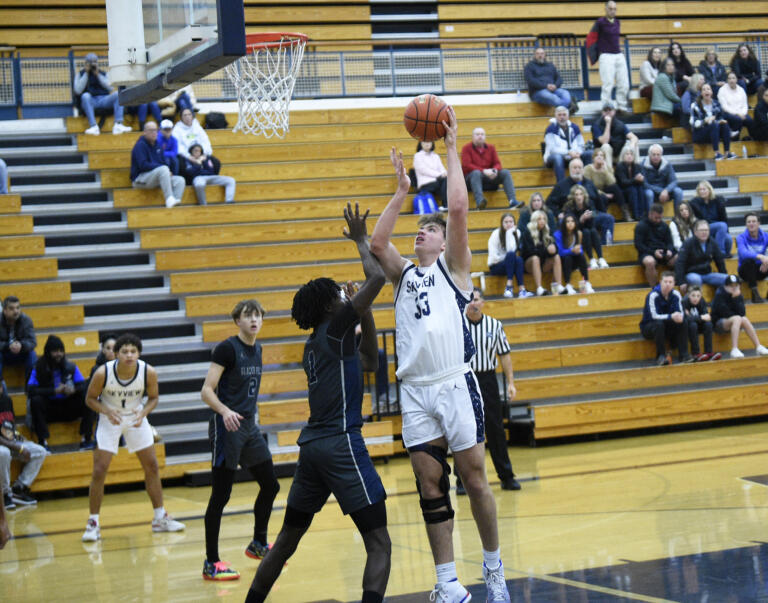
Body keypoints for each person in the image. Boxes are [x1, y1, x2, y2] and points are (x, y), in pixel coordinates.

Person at [369, 109, 512, 602]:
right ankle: (448, 583)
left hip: (455, 382)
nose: (421, 233)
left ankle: (493, 569)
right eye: (420, 230)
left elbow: (457, 211)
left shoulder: (455, 269)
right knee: (431, 485)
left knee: (473, 477)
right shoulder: (403, 274)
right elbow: (377, 242)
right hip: (415, 391)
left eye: (428, 230)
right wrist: (400, 192)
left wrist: (451, 147)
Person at [247, 204, 391, 602]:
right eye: (336, 295)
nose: (341, 297)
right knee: (379, 542)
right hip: (342, 443)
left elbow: (369, 361)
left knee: (286, 539)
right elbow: (377, 275)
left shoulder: (319, 342)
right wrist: (362, 240)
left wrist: (367, 312)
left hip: (313, 448)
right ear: (329, 306)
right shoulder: (335, 327)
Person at [200, 299, 279, 581]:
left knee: (271, 484)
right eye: (248, 316)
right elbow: (206, 390)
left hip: (249, 426)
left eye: (257, 315)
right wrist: (224, 411)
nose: (253, 320)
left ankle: (258, 543)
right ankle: (211, 562)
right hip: (227, 427)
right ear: (238, 321)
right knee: (221, 495)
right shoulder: (226, 348)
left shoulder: (257, 348)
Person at [82, 333, 185, 541]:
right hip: (110, 418)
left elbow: (154, 398)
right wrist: (106, 411)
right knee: (100, 469)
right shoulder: (103, 373)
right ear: (116, 354)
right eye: (124, 351)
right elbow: (90, 399)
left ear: (139, 353)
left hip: (136, 417)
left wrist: (144, 412)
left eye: (133, 351)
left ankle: (159, 518)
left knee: (152, 466)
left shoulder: (148, 372)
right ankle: (93, 522)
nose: (129, 355)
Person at [456, 287, 522, 494]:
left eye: (477, 299)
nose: (474, 303)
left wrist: (511, 382)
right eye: (470, 300)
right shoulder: (457, 325)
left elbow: (505, 355)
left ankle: (507, 476)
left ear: (483, 302)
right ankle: (461, 481)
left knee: (495, 428)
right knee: (463, 430)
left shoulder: (495, 325)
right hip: (465, 379)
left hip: (488, 379)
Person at [27, 335, 93, 452]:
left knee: (88, 398)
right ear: (48, 352)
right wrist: (54, 391)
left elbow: (82, 385)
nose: (59, 354)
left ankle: (86, 439)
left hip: (68, 407)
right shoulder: (38, 368)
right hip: (49, 410)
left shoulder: (71, 366)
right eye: (55, 351)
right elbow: (30, 390)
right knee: (36, 401)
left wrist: (73, 390)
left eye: (61, 351)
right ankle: (43, 442)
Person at [0, 389, 46, 509]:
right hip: (3, 446)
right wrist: (18, 448)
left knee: (39, 451)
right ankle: (5, 494)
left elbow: (8, 426)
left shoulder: (6, 400)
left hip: (9, 441)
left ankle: (19, 488)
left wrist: (19, 438)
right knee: (3, 453)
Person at [639, 271, 692, 366]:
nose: (667, 284)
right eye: (665, 281)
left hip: (666, 326)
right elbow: (654, 316)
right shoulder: (653, 295)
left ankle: (684, 355)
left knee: (683, 321)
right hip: (649, 327)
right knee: (659, 324)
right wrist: (671, 316)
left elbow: (680, 312)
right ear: (660, 282)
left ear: (674, 283)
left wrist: (679, 317)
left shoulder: (676, 294)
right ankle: (661, 356)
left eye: (670, 282)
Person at [587, 1, 630, 114]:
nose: (612, 11)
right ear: (605, 9)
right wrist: (594, 54)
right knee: (608, 83)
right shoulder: (600, 22)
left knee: (624, 83)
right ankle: (606, 106)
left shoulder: (617, 22)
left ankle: (621, 106)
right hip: (606, 55)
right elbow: (591, 37)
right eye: (610, 8)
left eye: (614, 9)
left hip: (619, 54)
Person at [461, 127, 520, 210]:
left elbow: (497, 163)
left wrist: (495, 170)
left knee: (505, 172)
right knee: (476, 173)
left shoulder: (491, 147)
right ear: (472, 137)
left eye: (482, 134)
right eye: (477, 134)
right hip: (471, 179)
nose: (480, 136)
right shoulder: (466, 148)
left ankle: (512, 201)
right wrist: (484, 171)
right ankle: (480, 202)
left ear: (485, 137)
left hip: (488, 177)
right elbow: (466, 165)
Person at [73, 53, 131, 136]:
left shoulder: (102, 73)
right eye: (90, 62)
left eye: (94, 62)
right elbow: (78, 90)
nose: (92, 64)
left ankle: (118, 124)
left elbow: (110, 88)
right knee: (85, 96)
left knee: (117, 94)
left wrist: (98, 75)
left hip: (104, 99)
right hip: (90, 101)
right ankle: (93, 126)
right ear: (86, 63)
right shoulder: (81, 74)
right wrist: (86, 73)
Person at [131, 122, 186, 209]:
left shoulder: (157, 145)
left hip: (155, 177)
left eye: (155, 130)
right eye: (151, 130)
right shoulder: (140, 145)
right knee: (163, 169)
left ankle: (175, 202)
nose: (154, 133)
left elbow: (162, 162)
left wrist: (168, 172)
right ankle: (169, 198)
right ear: (145, 132)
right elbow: (143, 165)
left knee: (180, 180)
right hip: (140, 179)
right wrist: (163, 169)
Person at [711, 275, 768, 358]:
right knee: (737, 318)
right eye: (731, 286)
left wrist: (736, 299)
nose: (734, 288)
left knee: (744, 319)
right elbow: (725, 313)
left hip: (734, 322)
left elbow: (742, 313)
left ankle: (758, 346)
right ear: (725, 286)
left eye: (736, 285)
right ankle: (734, 348)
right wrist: (734, 300)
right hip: (718, 324)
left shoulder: (738, 295)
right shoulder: (720, 295)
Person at [562, 184, 608, 270]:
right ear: (573, 196)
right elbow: (570, 226)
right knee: (586, 232)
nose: (579, 197)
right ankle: (591, 259)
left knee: (592, 231)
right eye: (576, 194)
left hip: (588, 229)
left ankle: (601, 258)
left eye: (581, 194)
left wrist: (590, 217)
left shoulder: (589, 203)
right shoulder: (569, 207)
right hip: (574, 233)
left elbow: (594, 216)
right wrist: (581, 219)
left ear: (584, 195)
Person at [487, 212, 533, 299]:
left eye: (511, 222)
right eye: (506, 222)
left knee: (518, 259)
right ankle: (509, 286)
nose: (509, 224)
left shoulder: (517, 232)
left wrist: (509, 233)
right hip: (496, 266)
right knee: (512, 256)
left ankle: (521, 289)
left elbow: (511, 249)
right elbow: (494, 256)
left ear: (514, 223)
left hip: (509, 265)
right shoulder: (496, 234)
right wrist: (508, 258)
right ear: (502, 223)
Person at [674, 220, 728, 293]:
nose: (704, 232)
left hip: (707, 274)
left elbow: (719, 261)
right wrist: (681, 281)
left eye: (706, 230)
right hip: (691, 274)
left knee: (727, 279)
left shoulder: (712, 242)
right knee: (696, 279)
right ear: (695, 232)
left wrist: (723, 273)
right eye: (701, 230)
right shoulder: (688, 243)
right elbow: (680, 263)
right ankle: (699, 303)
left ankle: (717, 302)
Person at [521, 209, 566, 296]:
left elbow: (554, 247)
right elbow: (530, 251)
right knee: (535, 258)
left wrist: (554, 249)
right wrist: (546, 250)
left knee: (556, 256)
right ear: (534, 220)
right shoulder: (527, 232)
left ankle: (559, 285)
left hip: (543, 263)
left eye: (544, 219)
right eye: (539, 219)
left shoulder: (547, 232)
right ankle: (539, 288)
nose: (542, 221)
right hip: (529, 264)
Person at [543, 106, 590, 183]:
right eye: (559, 115)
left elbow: (581, 144)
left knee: (589, 153)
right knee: (557, 158)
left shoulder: (575, 127)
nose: (562, 117)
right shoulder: (550, 129)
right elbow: (552, 149)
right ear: (556, 116)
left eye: (564, 115)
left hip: (573, 155)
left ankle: (587, 183)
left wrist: (578, 153)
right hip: (554, 157)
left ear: (568, 116)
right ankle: (561, 186)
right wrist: (568, 152)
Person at [635, 203, 677, 286]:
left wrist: (669, 250)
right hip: (647, 252)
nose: (658, 220)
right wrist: (653, 252)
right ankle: (654, 288)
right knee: (650, 262)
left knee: (680, 257)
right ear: (650, 214)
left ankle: (677, 283)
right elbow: (639, 245)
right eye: (656, 218)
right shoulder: (641, 226)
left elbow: (670, 242)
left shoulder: (664, 226)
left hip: (663, 251)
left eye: (660, 218)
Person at [690, 83, 735, 160]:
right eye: (704, 89)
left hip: (714, 132)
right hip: (700, 133)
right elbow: (693, 123)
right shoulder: (695, 105)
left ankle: (727, 152)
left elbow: (720, 117)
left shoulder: (716, 103)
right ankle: (716, 153)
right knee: (714, 125)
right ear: (701, 93)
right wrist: (705, 121)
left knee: (725, 125)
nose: (706, 91)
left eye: (708, 89)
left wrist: (720, 121)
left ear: (711, 92)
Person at [584, 148, 630, 222]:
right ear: (593, 158)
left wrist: (605, 171)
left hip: (603, 189)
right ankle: (604, 216)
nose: (599, 157)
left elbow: (612, 182)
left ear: (604, 158)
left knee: (615, 188)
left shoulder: (607, 168)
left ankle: (625, 212)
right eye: (597, 155)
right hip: (593, 192)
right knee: (602, 197)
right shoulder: (587, 169)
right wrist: (604, 194)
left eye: (601, 155)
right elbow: (589, 187)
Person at [0, 296, 37, 388]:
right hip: (4, 353)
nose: (16, 311)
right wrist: (8, 346)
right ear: (4, 310)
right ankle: (1, 386)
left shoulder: (26, 320)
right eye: (11, 308)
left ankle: (30, 389)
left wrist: (22, 345)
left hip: (21, 353)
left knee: (32, 355)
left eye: (18, 308)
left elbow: (32, 342)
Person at [689, 180, 732, 258]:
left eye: (704, 189)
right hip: (704, 228)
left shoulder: (718, 201)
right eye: (700, 190)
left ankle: (724, 256)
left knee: (728, 238)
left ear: (709, 190)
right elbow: (699, 221)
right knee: (722, 226)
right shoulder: (694, 203)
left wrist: (726, 232)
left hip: (718, 229)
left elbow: (724, 218)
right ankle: (719, 253)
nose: (702, 191)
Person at [591, 100, 638, 172]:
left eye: (610, 110)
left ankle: (636, 171)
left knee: (633, 145)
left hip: (619, 153)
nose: (608, 112)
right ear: (602, 112)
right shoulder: (596, 125)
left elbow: (634, 137)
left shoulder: (620, 124)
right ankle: (609, 174)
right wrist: (608, 124)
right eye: (605, 110)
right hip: (604, 155)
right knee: (606, 146)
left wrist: (631, 147)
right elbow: (604, 141)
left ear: (614, 112)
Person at [554, 214, 594, 294]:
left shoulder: (578, 233)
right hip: (562, 262)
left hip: (574, 261)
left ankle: (586, 282)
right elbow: (560, 252)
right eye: (567, 221)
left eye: (572, 221)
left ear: (575, 223)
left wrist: (578, 250)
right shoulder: (558, 234)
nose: (570, 223)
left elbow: (580, 250)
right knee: (568, 257)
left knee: (581, 256)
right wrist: (572, 250)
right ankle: (568, 284)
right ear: (563, 224)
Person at [682, 286, 720, 362]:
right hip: (688, 328)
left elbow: (707, 317)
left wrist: (697, 318)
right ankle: (696, 353)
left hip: (699, 325)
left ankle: (708, 352)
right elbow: (686, 319)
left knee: (708, 324)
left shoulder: (702, 301)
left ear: (701, 296)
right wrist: (701, 317)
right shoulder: (684, 302)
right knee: (693, 325)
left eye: (698, 296)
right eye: (693, 295)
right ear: (689, 295)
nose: (695, 298)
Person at [736, 212, 768, 303]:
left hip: (761, 269)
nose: (751, 224)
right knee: (749, 261)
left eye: (754, 221)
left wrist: (766, 261)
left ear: (758, 223)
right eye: (748, 222)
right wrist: (760, 257)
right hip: (745, 270)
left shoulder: (766, 236)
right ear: (746, 224)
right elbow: (743, 253)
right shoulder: (740, 237)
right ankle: (755, 294)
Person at [642, 144, 683, 209]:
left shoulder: (667, 164)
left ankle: (677, 217)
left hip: (666, 192)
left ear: (661, 155)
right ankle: (650, 217)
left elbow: (674, 181)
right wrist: (661, 191)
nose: (656, 157)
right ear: (649, 155)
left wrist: (666, 190)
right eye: (654, 154)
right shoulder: (643, 165)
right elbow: (644, 184)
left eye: (658, 154)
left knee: (678, 191)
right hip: (652, 191)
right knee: (649, 194)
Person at [718, 72, 756, 140]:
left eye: (733, 78)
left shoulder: (741, 90)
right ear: (727, 80)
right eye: (729, 78)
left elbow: (745, 105)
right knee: (737, 120)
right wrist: (737, 114)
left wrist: (743, 113)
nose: (731, 80)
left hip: (741, 113)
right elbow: (724, 107)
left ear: (736, 80)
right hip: (727, 113)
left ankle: (753, 140)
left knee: (750, 121)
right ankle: (735, 140)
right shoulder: (722, 90)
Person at [615, 146, 647, 220]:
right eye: (627, 154)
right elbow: (623, 182)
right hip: (622, 190)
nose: (629, 156)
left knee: (640, 189)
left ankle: (641, 214)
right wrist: (635, 179)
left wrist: (641, 179)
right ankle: (636, 215)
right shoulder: (620, 166)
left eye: (631, 154)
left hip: (634, 187)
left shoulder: (637, 166)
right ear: (623, 156)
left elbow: (642, 179)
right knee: (633, 190)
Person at [413, 140, 448, 208]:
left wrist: (444, 173)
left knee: (449, 181)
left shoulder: (436, 156)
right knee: (445, 181)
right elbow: (424, 170)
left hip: (438, 181)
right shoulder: (417, 156)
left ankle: (451, 205)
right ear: (421, 144)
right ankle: (445, 205)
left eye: (429, 142)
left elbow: (442, 168)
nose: (427, 143)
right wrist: (439, 175)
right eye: (425, 142)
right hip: (425, 184)